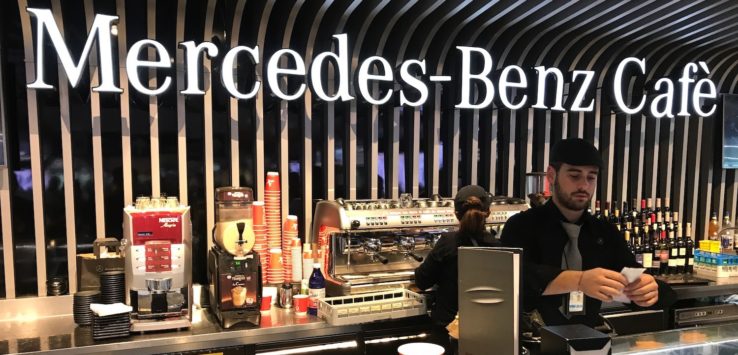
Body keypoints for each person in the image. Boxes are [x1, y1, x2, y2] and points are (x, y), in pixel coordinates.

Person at [501, 138, 675, 328]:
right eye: (575, 176)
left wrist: (649, 289)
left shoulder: (605, 231)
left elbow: (630, 276)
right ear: (552, 175)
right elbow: (512, 280)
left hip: (588, 341)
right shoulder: (521, 225)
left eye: (591, 177)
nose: (584, 186)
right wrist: (579, 280)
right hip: (531, 342)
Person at [415, 185, 500, 351]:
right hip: (486, 330)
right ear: (488, 213)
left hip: (449, 329)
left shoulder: (447, 242)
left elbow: (422, 281)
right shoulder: (499, 247)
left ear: (456, 214)